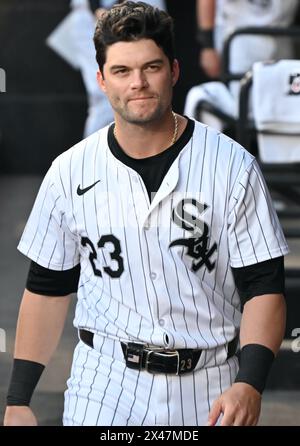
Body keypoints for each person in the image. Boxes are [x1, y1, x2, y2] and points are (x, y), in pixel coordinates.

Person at [4, 1, 288, 426]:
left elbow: (264, 286)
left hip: (209, 383)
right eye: (121, 71)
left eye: (150, 68)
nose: (137, 83)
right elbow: (47, 288)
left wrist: (250, 382)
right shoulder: (69, 170)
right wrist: (18, 399)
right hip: (104, 381)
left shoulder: (232, 165)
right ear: (101, 80)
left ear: (173, 71)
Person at [184, 0, 299, 124]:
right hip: (241, 39)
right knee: (242, 107)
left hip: (283, 37)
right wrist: (207, 45)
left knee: (284, 108)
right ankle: (203, 102)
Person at [70, 0, 166, 137]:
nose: (138, 82)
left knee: (153, 91)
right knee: (105, 97)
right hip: (94, 13)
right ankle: (99, 156)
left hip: (143, 8)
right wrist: (96, 8)